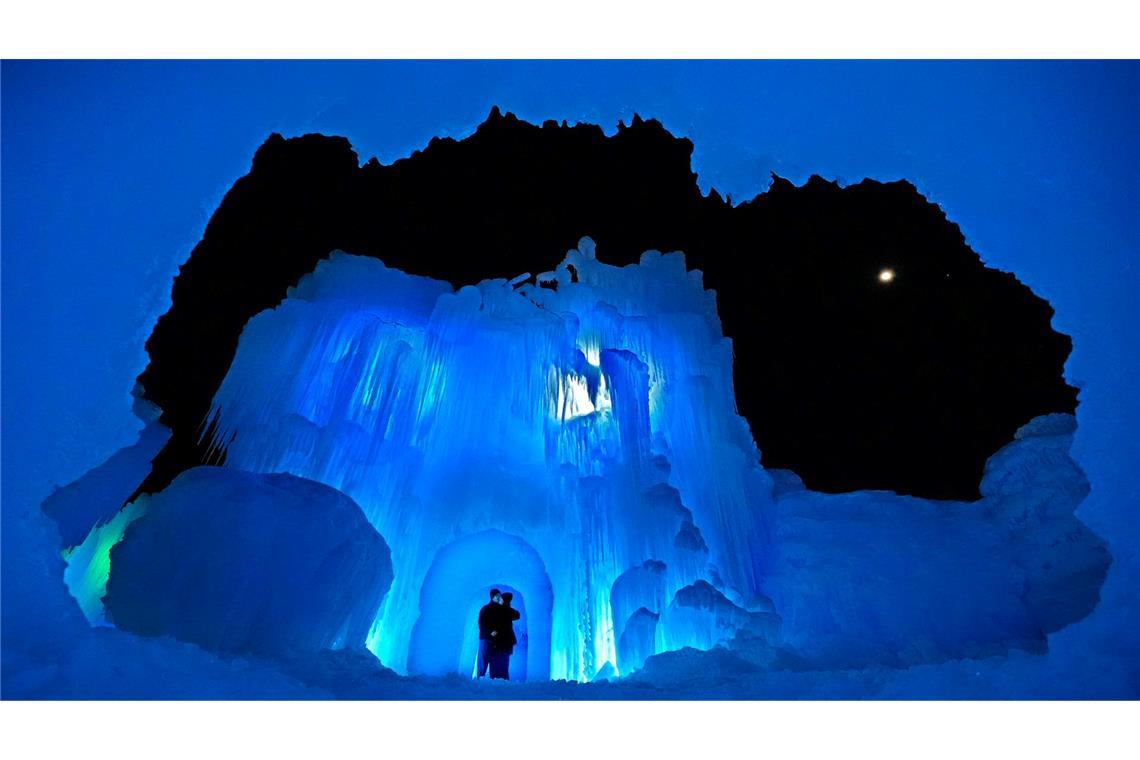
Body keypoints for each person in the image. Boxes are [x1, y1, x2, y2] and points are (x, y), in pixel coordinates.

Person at [488, 591, 521, 680]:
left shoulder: (497, 609)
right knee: (504, 661)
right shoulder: (507, 610)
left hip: (498, 640)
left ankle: (495, 678)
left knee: (496, 660)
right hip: (506, 640)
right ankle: (503, 679)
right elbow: (517, 615)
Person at [476, 588, 503, 678]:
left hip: (496, 641)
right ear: (492, 597)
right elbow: (481, 623)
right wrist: (489, 633)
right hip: (485, 639)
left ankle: (493, 684)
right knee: (482, 663)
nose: (499, 597)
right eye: (497, 596)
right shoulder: (485, 609)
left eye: (500, 595)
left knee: (495, 664)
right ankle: (478, 681)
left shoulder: (500, 610)